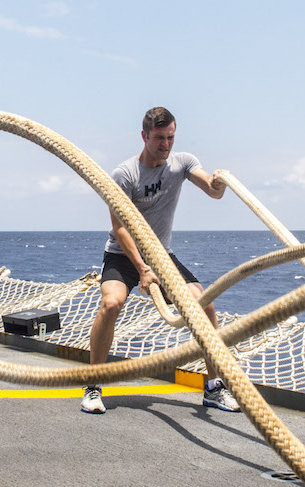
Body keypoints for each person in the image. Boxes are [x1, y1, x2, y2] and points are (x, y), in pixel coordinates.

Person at [82, 106, 241, 415]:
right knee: (111, 303)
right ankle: (93, 385)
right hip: (122, 255)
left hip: (162, 256)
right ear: (144, 136)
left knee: (205, 306)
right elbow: (118, 227)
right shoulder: (125, 174)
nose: (165, 144)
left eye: (170, 137)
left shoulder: (182, 162)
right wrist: (142, 269)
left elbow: (212, 190)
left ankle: (213, 387)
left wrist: (220, 182)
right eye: (159, 138)